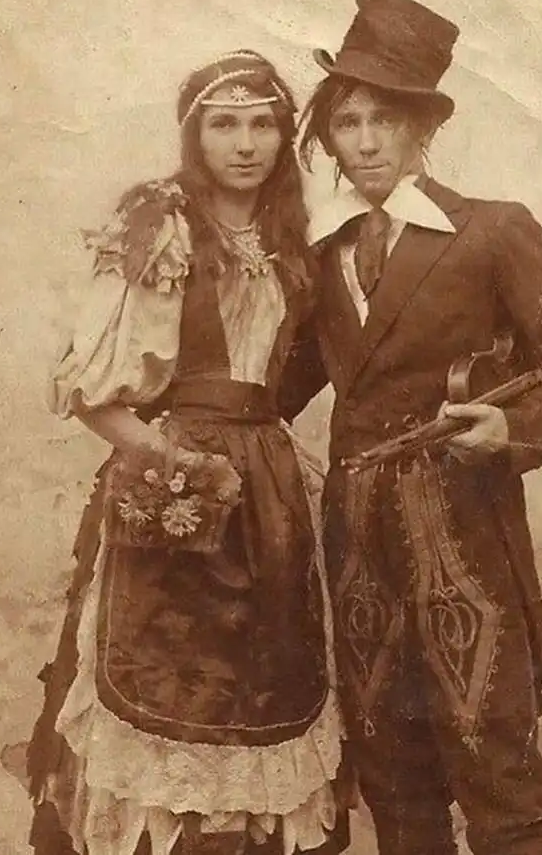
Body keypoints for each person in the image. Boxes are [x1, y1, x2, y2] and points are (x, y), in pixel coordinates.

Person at [278, 0, 542, 855]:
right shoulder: (322, 254)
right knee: (394, 785)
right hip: (358, 546)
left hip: (463, 538)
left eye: (386, 120)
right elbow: (275, 389)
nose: (365, 142)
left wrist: (510, 429)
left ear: (424, 127)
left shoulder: (494, 232)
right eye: (347, 122)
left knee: (499, 777)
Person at [26, 50, 348, 855]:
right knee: (166, 678)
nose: (245, 144)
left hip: (272, 491)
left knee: (264, 686)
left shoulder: (298, 237)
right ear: (194, 135)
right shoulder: (162, 222)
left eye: (263, 124)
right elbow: (94, 392)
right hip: (178, 480)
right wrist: (177, 465)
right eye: (224, 124)